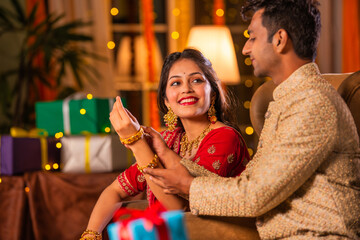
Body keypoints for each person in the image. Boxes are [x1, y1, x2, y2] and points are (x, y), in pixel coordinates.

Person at [145, 0, 360, 239]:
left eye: (253, 37)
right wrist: (167, 155)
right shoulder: (290, 100)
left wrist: (187, 185)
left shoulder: (312, 103)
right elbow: (250, 183)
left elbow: (256, 195)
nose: (246, 49)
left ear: (279, 39)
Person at [80, 48, 250, 239]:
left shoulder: (225, 137)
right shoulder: (168, 139)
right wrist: (91, 234)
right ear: (167, 101)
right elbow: (115, 191)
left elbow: (179, 208)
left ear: (213, 93)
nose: (186, 89)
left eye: (196, 80)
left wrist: (137, 143)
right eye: (176, 83)